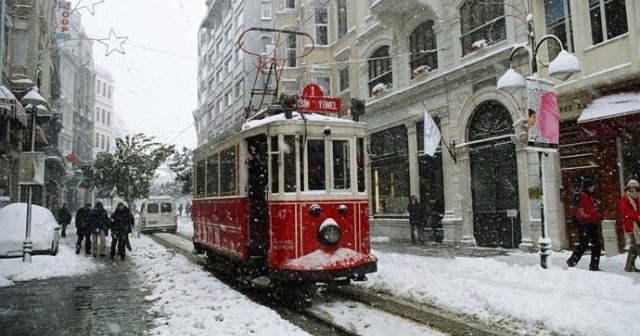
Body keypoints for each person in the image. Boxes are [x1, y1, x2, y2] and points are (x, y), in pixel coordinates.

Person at [566, 177, 603, 271]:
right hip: (584, 223)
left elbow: (590, 209)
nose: (593, 187)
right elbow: (574, 209)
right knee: (586, 243)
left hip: (591, 222)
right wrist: (584, 216)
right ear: (587, 187)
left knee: (595, 244)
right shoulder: (580, 195)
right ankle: (574, 261)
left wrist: (596, 217)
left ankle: (592, 265)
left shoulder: (589, 196)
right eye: (592, 186)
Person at [619, 179, 640, 272]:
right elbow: (626, 212)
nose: (632, 189)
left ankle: (629, 266)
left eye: (634, 187)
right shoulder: (625, 199)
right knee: (637, 245)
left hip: (638, 224)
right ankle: (629, 266)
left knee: (634, 246)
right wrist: (638, 216)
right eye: (631, 187)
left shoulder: (638, 197)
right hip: (631, 225)